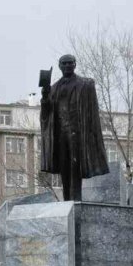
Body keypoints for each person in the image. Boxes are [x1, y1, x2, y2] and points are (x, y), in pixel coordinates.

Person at [39, 54, 110, 201]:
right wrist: (45, 96)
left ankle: (76, 200)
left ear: (75, 64)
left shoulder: (86, 85)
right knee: (64, 168)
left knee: (75, 167)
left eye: (70, 63)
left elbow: (93, 112)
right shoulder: (53, 89)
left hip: (78, 133)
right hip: (60, 134)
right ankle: (67, 201)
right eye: (64, 63)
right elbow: (46, 114)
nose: (67, 66)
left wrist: (91, 135)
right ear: (59, 66)